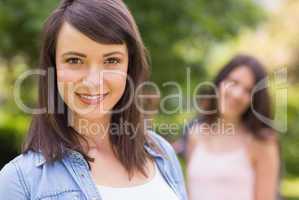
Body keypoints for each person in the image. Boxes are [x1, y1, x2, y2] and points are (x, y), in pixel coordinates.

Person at [0, 0, 187, 199]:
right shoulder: (19, 180)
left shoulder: (160, 152)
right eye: (74, 60)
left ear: (129, 67)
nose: (93, 81)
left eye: (111, 60)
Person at [186, 54, 281, 200]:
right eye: (233, 82)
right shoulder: (195, 135)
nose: (237, 94)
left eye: (248, 90)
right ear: (220, 82)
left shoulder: (262, 142)